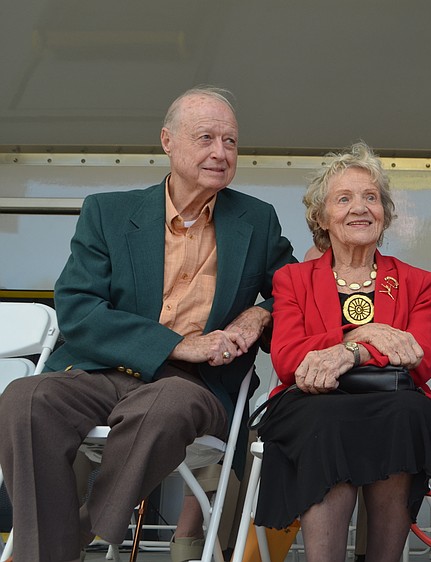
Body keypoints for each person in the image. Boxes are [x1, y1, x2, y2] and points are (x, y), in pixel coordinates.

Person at [0, 85, 296, 561]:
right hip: (97, 371)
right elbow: (78, 309)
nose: (221, 153)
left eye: (231, 142)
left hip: (192, 387)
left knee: (166, 405)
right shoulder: (109, 212)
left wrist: (257, 314)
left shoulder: (256, 221)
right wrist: (177, 345)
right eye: (205, 138)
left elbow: (298, 295)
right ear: (167, 141)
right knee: (24, 398)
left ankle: (69, 537)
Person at [253, 142, 431, 562]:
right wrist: (367, 333)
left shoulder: (418, 281)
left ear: (384, 213)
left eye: (371, 197)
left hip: (395, 401)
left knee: (408, 415)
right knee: (325, 419)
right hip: (313, 402)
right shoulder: (292, 279)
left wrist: (353, 354)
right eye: (344, 199)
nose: (360, 207)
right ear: (322, 217)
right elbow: (288, 358)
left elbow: (422, 358)